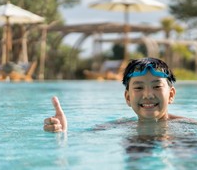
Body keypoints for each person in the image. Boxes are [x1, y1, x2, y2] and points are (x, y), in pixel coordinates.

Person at [43, 57, 185, 133]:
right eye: (139, 87)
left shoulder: (185, 127)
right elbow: (82, 138)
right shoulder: (118, 126)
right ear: (128, 97)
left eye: (156, 86)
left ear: (171, 95)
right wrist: (63, 132)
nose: (148, 94)